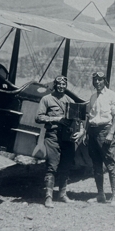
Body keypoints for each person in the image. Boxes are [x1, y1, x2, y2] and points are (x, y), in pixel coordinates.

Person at [74, 71, 115, 205]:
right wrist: (85, 132)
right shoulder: (93, 97)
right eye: (95, 80)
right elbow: (90, 117)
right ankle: (100, 195)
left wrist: (111, 133)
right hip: (93, 132)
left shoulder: (112, 95)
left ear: (104, 81)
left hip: (105, 131)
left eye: (100, 80)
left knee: (110, 164)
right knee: (96, 165)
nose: (97, 82)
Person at [35, 75, 76, 208]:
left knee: (66, 166)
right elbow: (38, 117)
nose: (61, 86)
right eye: (59, 84)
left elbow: (77, 120)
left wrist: (80, 131)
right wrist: (56, 119)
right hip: (53, 137)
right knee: (52, 166)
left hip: (67, 138)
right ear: (54, 85)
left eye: (63, 84)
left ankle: (62, 195)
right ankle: (48, 197)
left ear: (66, 86)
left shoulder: (70, 101)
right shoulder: (46, 99)